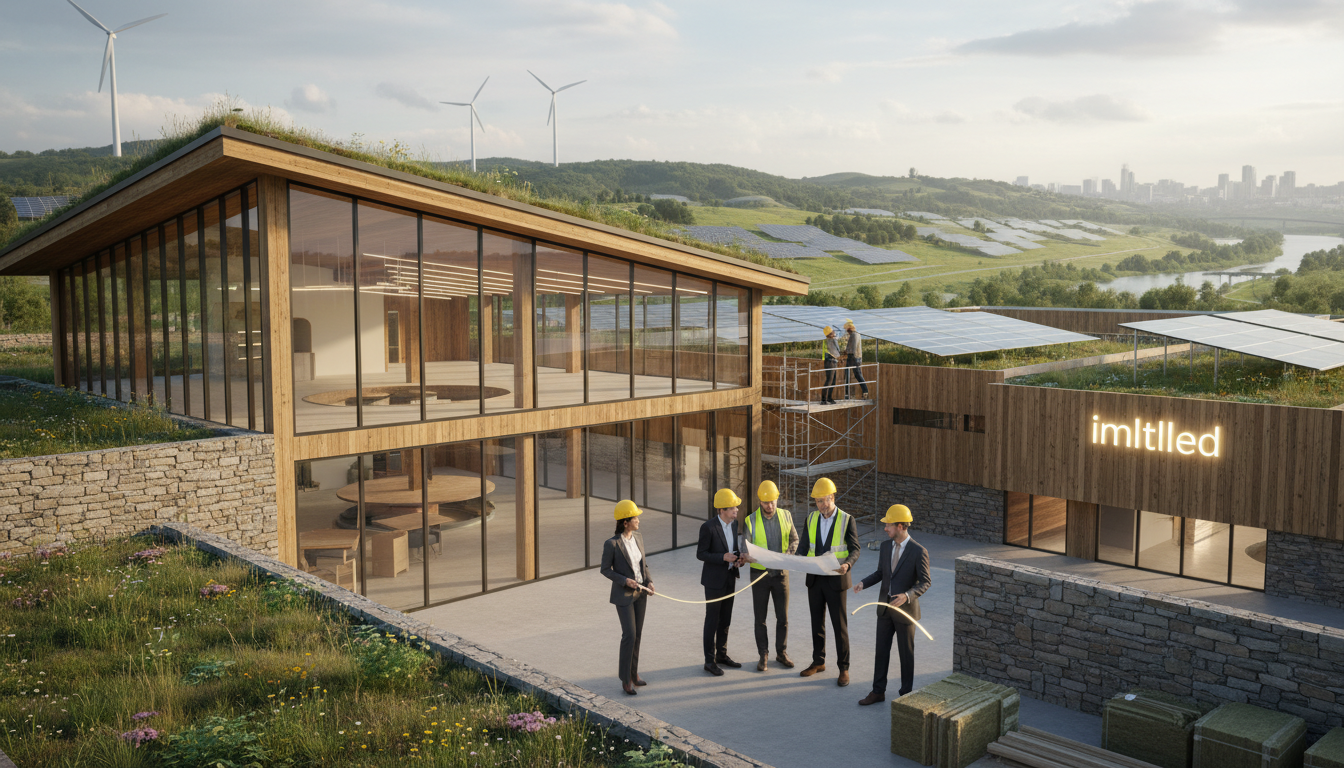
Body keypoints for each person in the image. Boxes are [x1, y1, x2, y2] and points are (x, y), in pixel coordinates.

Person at [855, 504, 931, 705]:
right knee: (881, 652)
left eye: (888, 525)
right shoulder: (886, 546)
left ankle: (905, 695)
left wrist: (907, 595)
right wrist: (864, 583)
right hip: (885, 609)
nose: (885, 529)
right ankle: (877, 691)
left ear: (900, 526)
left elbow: (925, 582)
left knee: (906, 655)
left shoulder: (918, 551)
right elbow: (882, 573)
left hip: (906, 613)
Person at [796, 477, 860, 686]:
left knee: (839, 625)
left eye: (825, 500)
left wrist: (848, 565)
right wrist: (792, 559)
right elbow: (803, 548)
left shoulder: (846, 519)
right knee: (817, 624)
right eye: (818, 502)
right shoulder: (811, 519)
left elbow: (855, 549)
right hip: (815, 580)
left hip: (836, 580)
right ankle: (818, 662)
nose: (822, 505)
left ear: (833, 497)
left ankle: (844, 668)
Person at [600, 499, 655, 696]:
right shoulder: (612, 544)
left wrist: (648, 582)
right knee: (629, 635)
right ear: (625, 522)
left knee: (637, 635)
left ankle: (634, 673)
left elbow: (644, 565)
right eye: (635, 517)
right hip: (624, 596)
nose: (638, 520)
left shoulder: (638, 538)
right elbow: (605, 570)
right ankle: (625, 679)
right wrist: (624, 580)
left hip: (641, 594)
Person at [743, 480, 798, 671]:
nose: (770, 506)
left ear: (777, 499)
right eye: (766, 503)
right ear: (760, 502)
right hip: (760, 576)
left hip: (781, 576)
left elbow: (794, 539)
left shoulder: (786, 515)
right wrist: (747, 556)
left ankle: (781, 653)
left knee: (782, 617)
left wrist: (788, 556)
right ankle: (763, 655)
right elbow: (745, 547)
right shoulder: (750, 520)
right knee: (761, 618)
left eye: (773, 501)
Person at [697, 488, 747, 676]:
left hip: (729, 578)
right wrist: (722, 558)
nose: (736, 510)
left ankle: (722, 655)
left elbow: (732, 549)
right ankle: (709, 661)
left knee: (725, 619)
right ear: (721, 510)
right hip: (713, 581)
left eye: (736, 507)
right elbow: (700, 554)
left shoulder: (734, 525)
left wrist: (738, 559)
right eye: (732, 508)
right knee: (712, 620)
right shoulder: (708, 527)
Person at [842, 319, 870, 400]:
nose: (846, 331)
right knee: (857, 375)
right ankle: (864, 392)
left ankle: (863, 392)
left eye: (847, 329)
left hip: (854, 357)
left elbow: (853, 348)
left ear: (849, 328)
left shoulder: (854, 335)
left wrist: (847, 352)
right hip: (856, 357)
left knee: (853, 374)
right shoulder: (856, 335)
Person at [820, 326, 840, 405]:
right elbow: (836, 351)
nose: (834, 333)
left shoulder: (828, 340)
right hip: (830, 362)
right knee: (829, 380)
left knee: (833, 381)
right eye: (832, 332)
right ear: (829, 334)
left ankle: (829, 398)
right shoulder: (830, 340)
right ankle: (824, 399)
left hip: (832, 361)